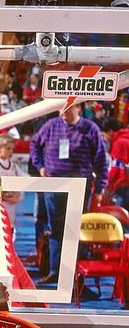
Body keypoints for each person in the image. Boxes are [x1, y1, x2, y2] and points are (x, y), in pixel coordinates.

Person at [30, 103, 108, 284]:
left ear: (78, 108)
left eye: (66, 108)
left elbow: (101, 160)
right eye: (60, 109)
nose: (62, 112)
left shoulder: (90, 129)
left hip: (80, 186)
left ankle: (75, 277)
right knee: (55, 230)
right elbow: (34, 144)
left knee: (75, 230)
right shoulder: (51, 126)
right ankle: (55, 272)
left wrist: (100, 188)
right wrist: (40, 166)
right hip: (55, 185)